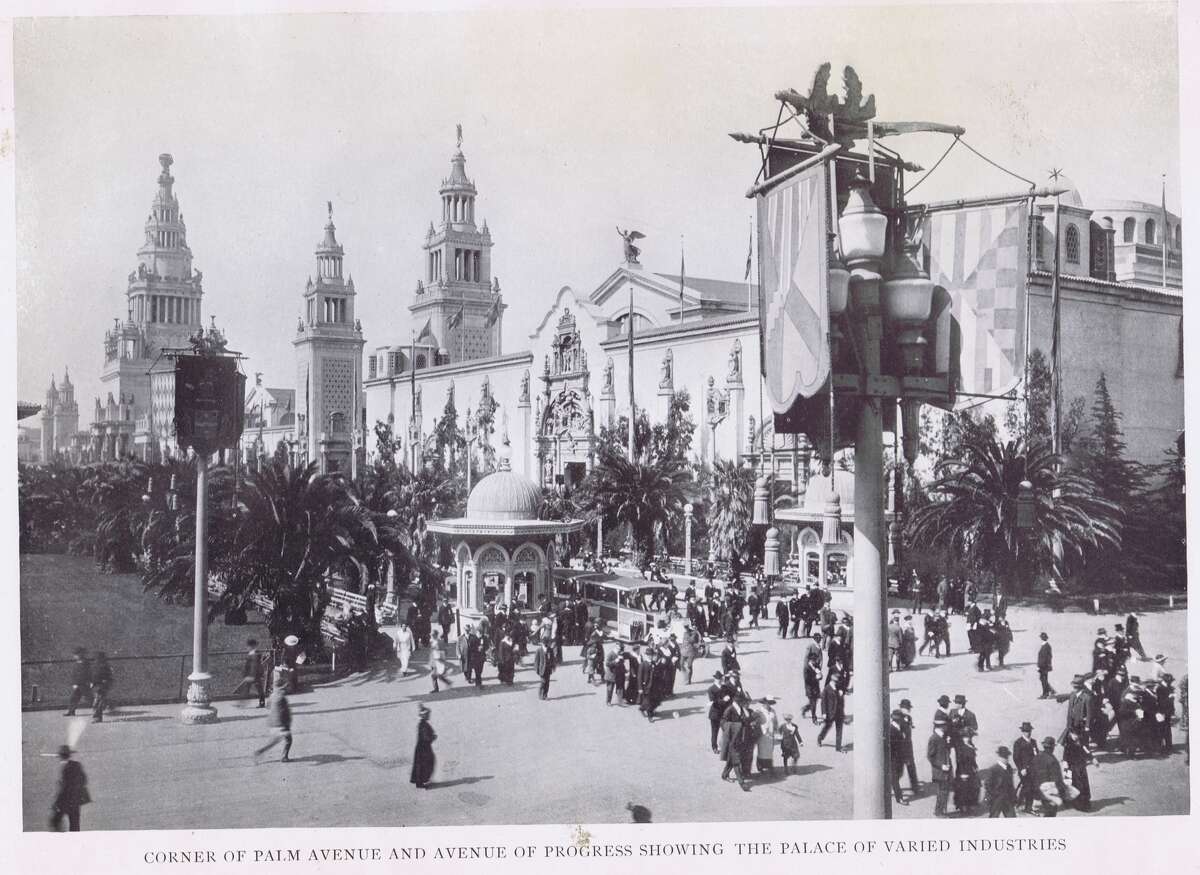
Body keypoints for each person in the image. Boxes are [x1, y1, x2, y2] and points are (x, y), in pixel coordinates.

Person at [50, 746, 89, 832]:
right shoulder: (77, 765)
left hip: (66, 800)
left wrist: (57, 802)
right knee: (74, 825)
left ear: (62, 756)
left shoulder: (66, 768)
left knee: (55, 821)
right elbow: (84, 780)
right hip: (76, 800)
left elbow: (65, 788)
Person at [1030, 736, 1070, 817]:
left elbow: (1032, 774)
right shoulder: (1052, 760)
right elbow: (1057, 778)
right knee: (1051, 813)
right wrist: (1063, 791)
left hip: (1039, 789)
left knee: (1047, 811)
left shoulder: (1037, 757)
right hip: (1050, 791)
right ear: (1052, 747)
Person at [1061, 721, 1097, 811]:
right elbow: (1065, 756)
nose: (1075, 736)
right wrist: (1065, 765)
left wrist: (1093, 759)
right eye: (1073, 734)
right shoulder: (1068, 744)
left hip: (1082, 767)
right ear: (1070, 734)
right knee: (1076, 786)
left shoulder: (1081, 743)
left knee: (1084, 785)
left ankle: (1085, 802)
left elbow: (1086, 751)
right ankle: (1079, 804)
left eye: (1076, 734)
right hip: (1073, 769)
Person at [719, 696, 752, 792]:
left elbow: (744, 720)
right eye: (742, 701)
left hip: (741, 737)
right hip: (732, 739)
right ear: (736, 701)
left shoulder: (741, 709)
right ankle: (742, 783)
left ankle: (724, 775)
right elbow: (723, 722)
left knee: (732, 758)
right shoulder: (729, 709)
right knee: (736, 760)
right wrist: (732, 729)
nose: (743, 703)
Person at [255, 682, 293, 763]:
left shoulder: (272, 696)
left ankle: (260, 752)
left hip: (272, 722)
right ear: (282, 688)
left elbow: (268, 707)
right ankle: (284, 757)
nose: (286, 689)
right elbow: (284, 712)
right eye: (285, 687)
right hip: (280, 723)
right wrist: (287, 723)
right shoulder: (282, 698)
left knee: (275, 741)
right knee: (288, 740)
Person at [816, 669, 847, 752]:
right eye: (835, 682)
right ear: (831, 681)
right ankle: (820, 737)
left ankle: (838, 747)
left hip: (839, 713)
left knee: (839, 730)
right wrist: (824, 713)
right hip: (830, 713)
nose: (836, 683)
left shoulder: (838, 689)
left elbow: (841, 703)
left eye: (837, 682)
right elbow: (823, 703)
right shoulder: (826, 689)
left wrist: (843, 713)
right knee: (827, 727)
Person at [927, 721, 954, 817]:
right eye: (945, 726)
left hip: (946, 769)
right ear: (940, 727)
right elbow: (930, 757)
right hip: (940, 771)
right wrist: (941, 766)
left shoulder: (943, 737)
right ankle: (939, 811)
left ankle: (942, 810)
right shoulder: (934, 738)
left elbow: (947, 751)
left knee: (945, 791)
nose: (946, 727)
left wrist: (948, 743)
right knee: (942, 791)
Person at [983, 746, 1017, 818]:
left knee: (1012, 818)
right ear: (999, 757)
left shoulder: (1009, 768)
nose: (1005, 759)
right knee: (994, 817)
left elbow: (1011, 784)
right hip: (996, 799)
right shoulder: (993, 769)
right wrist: (995, 794)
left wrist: (1013, 796)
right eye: (1003, 757)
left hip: (1008, 799)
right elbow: (987, 785)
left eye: (1006, 756)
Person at [232, 639, 267, 708]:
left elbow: (254, 666)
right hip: (254, 675)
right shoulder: (253, 653)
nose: (247, 648)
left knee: (253, 689)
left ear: (252, 646)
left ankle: (242, 703)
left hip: (253, 675)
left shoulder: (254, 654)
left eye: (248, 646)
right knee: (252, 689)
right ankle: (261, 703)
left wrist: (251, 675)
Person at [1013, 721, 1038, 813]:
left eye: (1029, 731)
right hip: (1023, 770)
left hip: (1033, 770)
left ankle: (1027, 806)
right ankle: (1020, 804)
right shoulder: (1018, 743)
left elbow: (1037, 754)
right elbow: (1016, 757)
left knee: (1030, 787)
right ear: (1022, 732)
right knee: (1027, 787)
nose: (1028, 733)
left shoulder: (1033, 742)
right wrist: (1021, 768)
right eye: (1026, 731)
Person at [409, 705, 436, 789]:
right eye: (428, 714)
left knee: (420, 764)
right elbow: (426, 737)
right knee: (425, 763)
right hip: (424, 748)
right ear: (424, 716)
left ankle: (420, 781)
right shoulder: (424, 725)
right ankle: (421, 781)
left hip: (421, 747)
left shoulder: (422, 724)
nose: (429, 716)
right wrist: (433, 737)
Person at [889, 709, 911, 805]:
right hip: (893, 758)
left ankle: (888, 790)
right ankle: (899, 798)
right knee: (895, 777)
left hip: (900, 758)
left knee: (898, 775)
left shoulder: (900, 727)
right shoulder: (890, 730)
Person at [754, 697, 779, 773]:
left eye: (770, 703)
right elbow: (756, 722)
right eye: (767, 702)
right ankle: (760, 765)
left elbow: (775, 721)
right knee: (761, 750)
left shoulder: (773, 711)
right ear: (764, 703)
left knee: (769, 750)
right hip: (762, 733)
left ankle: (769, 765)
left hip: (771, 733)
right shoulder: (759, 711)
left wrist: (776, 730)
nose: (768, 704)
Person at [64, 648, 92, 717]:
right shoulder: (76, 664)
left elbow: (89, 673)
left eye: (76, 654)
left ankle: (102, 707)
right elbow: (74, 675)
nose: (74, 656)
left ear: (80, 654)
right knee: (73, 698)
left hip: (84, 684)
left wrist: (90, 681)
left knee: (89, 698)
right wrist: (74, 683)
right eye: (74, 655)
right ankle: (71, 711)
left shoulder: (86, 663)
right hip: (78, 684)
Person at [89, 651, 113, 723]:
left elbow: (108, 676)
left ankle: (97, 717)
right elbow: (93, 675)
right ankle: (109, 705)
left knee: (97, 702)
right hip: (97, 686)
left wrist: (105, 682)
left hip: (101, 686)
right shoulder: (95, 666)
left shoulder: (104, 666)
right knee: (98, 701)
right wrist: (92, 682)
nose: (97, 660)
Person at [801, 651, 822, 724]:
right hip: (810, 688)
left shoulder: (817, 666)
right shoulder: (806, 668)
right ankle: (814, 719)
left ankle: (804, 709)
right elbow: (807, 679)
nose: (814, 661)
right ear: (810, 660)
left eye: (815, 660)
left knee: (814, 702)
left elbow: (820, 675)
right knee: (813, 703)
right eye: (813, 660)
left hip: (816, 687)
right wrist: (816, 677)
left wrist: (820, 675)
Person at [1037, 633, 1055, 699]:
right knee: (1043, 679)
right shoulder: (1045, 645)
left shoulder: (1046, 646)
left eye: (1041, 637)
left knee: (1043, 679)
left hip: (1043, 666)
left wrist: (1040, 666)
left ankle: (1045, 694)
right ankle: (1050, 690)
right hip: (1044, 666)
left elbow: (1045, 657)